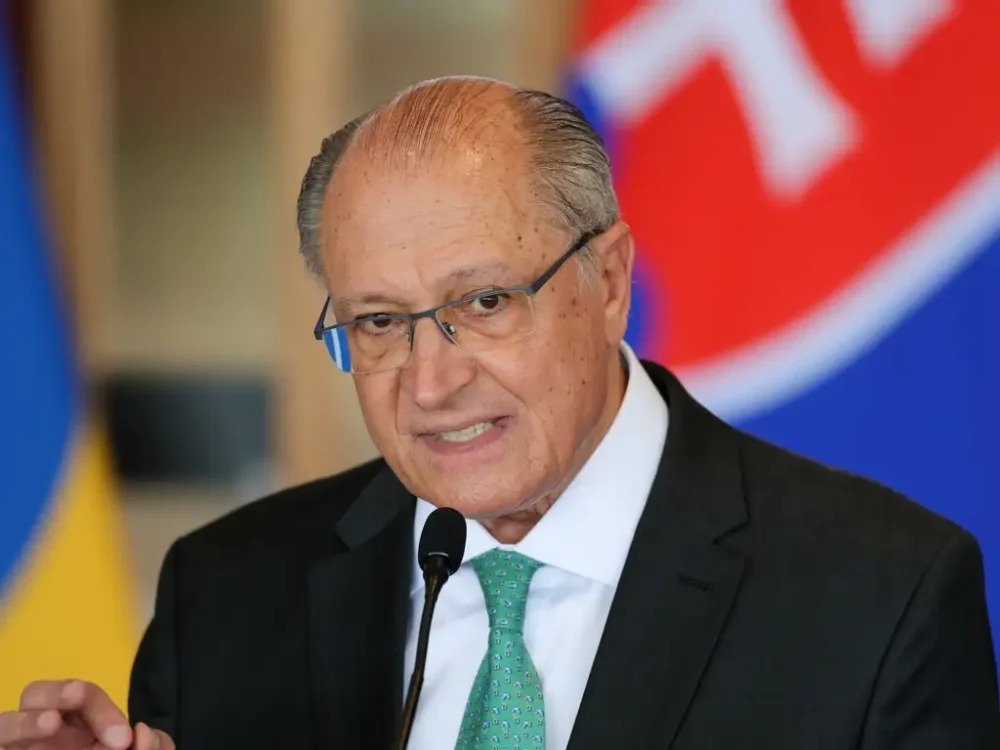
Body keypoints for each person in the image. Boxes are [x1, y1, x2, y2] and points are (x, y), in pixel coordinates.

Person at [1, 76, 997, 750]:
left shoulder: (882, 599)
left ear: (608, 281)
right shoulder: (224, 595)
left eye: (483, 303)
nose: (431, 385)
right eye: (379, 322)